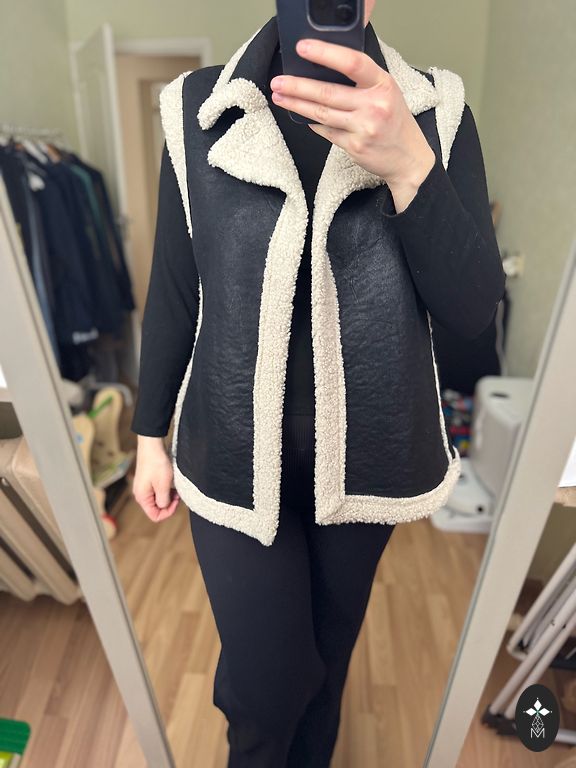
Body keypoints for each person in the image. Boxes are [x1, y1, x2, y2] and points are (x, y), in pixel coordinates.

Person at [131, 1, 506, 765]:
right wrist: (147, 435)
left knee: (325, 678)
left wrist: (408, 163)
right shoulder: (197, 108)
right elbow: (175, 287)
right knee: (267, 687)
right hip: (229, 454)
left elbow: (472, 315)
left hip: (367, 461)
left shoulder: (435, 110)